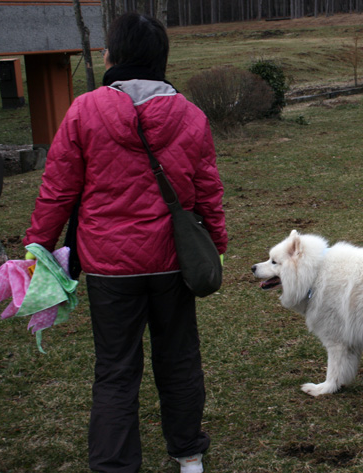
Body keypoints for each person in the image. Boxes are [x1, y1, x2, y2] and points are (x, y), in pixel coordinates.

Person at [23, 12, 227, 473]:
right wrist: (214, 241)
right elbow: (207, 187)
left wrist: (38, 246)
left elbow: (58, 189)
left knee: (115, 369)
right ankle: (188, 454)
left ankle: (114, 465)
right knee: (179, 359)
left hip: (110, 268)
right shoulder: (190, 115)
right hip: (172, 261)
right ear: (161, 56)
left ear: (114, 54)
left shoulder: (84, 111)